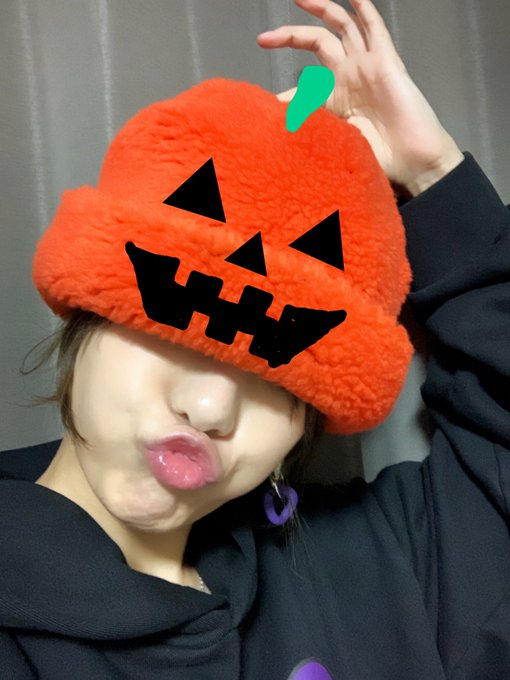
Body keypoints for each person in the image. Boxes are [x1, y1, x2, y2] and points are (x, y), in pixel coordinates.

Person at [0, 0, 508, 678]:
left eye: (278, 372)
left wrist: (434, 176)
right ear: (92, 308)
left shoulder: (383, 559)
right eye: (181, 325)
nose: (211, 409)